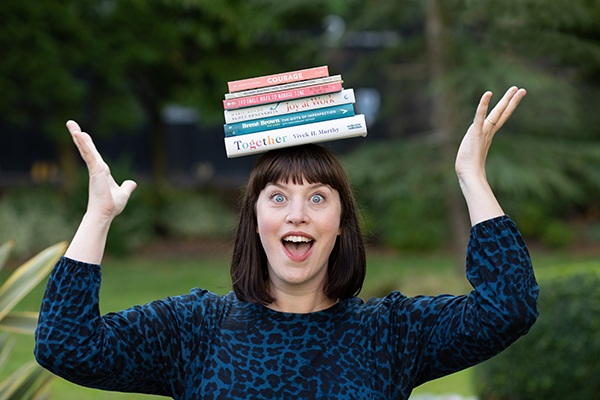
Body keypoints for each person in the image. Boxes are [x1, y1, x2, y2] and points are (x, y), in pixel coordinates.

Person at [34, 87, 538, 399]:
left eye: (318, 199)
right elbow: (65, 346)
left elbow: (509, 307)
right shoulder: (194, 330)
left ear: (341, 224)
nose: (297, 214)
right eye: (277, 197)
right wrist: (98, 217)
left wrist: (471, 176)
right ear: (255, 221)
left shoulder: (391, 333)